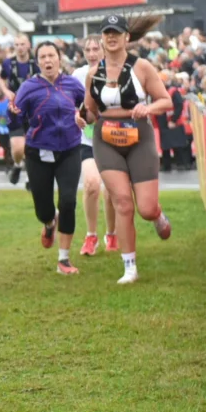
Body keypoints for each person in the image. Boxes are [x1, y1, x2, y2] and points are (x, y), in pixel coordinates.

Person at [83, 14, 174, 285]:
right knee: (122, 202)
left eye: (116, 32)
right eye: (107, 32)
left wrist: (148, 107)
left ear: (126, 37)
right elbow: (90, 111)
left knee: (145, 208)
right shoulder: (93, 73)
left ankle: (157, 215)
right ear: (101, 38)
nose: (111, 37)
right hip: (106, 139)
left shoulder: (142, 67)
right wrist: (82, 117)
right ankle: (130, 267)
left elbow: (166, 101)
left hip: (139, 136)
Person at [14, 42, 86, 275]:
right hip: (37, 152)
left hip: (69, 149)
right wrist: (12, 113)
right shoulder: (29, 87)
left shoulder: (73, 85)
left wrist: (85, 116)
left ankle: (63, 259)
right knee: (43, 210)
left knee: (68, 201)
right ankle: (48, 223)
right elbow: (15, 118)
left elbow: (88, 109)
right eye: (43, 57)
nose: (47, 60)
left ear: (59, 58)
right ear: (37, 62)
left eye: (51, 56)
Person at [71, 36, 117, 255]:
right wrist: (75, 115)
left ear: (104, 49)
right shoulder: (78, 75)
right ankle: (91, 236)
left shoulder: (116, 72)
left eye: (95, 49)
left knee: (111, 191)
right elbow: (70, 103)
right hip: (86, 139)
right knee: (91, 184)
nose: (91, 53)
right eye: (87, 49)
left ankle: (112, 233)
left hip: (112, 138)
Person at [0, 34, 36, 186]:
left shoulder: (36, 62)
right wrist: (6, 91)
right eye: (17, 44)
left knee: (33, 145)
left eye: (22, 44)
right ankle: (18, 164)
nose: (20, 47)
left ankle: (29, 178)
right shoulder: (8, 63)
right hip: (15, 109)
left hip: (34, 110)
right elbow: (1, 77)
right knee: (18, 147)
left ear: (28, 45)